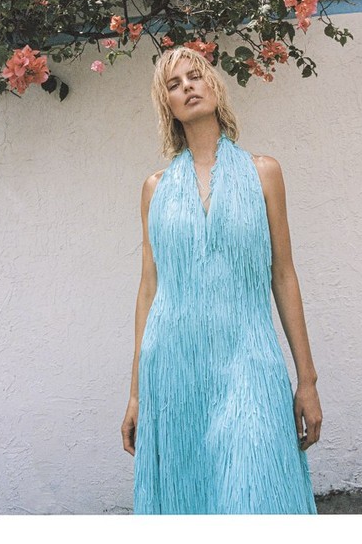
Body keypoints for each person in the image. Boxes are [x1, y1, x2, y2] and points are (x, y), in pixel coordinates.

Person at [121, 45, 322, 514]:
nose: (187, 87)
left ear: (214, 85)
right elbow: (149, 289)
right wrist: (135, 395)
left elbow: (283, 274)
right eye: (174, 84)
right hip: (173, 370)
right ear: (167, 105)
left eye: (195, 76)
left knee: (255, 492)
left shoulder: (263, 173)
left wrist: (307, 380)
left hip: (248, 361)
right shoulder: (155, 189)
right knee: (190, 498)